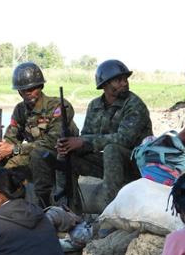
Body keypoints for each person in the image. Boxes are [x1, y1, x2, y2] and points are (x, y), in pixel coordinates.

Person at [56, 59, 152, 209]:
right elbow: (86, 136)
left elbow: (124, 139)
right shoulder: (94, 105)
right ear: (105, 85)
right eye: (118, 80)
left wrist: (83, 142)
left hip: (136, 164)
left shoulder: (134, 104)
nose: (124, 83)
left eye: (125, 79)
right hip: (111, 164)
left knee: (112, 149)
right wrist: (69, 145)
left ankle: (109, 213)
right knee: (66, 156)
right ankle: (69, 210)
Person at [0, 62, 79, 208]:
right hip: (33, 153)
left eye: (32, 88)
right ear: (19, 92)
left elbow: (53, 141)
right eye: (24, 90)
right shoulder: (20, 110)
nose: (28, 92)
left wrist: (14, 149)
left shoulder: (57, 106)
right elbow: (12, 137)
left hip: (59, 155)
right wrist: (1, 149)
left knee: (37, 155)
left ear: (41, 87)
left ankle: (43, 206)